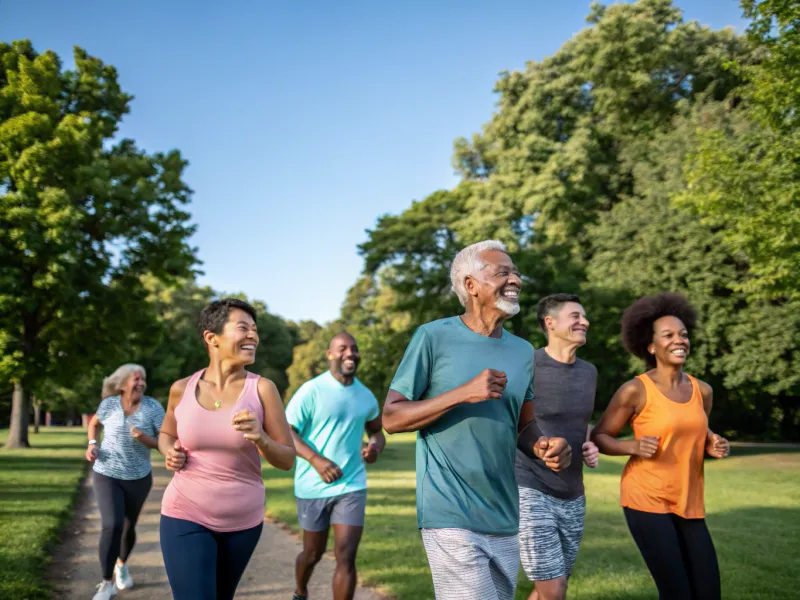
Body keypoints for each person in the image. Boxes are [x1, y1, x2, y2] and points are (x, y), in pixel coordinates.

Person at [383, 240, 572, 600]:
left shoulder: (522, 352)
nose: (515, 279)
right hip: (449, 510)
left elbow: (524, 426)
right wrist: (462, 393)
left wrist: (545, 446)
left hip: (504, 512)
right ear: (470, 285)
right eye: (503, 272)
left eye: (515, 272)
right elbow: (392, 417)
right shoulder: (433, 337)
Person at [591, 292, 729, 600]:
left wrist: (713, 443)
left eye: (683, 334)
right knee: (677, 593)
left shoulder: (702, 390)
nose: (679, 340)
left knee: (708, 592)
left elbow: (696, 429)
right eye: (668, 335)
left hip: (689, 501)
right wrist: (633, 447)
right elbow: (600, 436)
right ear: (651, 346)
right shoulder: (635, 390)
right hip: (646, 500)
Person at [157, 298, 296, 600]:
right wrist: (169, 450)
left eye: (255, 330)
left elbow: (287, 459)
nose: (253, 337)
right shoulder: (182, 388)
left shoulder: (262, 389)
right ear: (212, 338)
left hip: (243, 524)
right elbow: (167, 431)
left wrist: (261, 438)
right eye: (243, 328)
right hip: (185, 512)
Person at [286, 332, 385, 600]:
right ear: (329, 354)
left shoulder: (366, 396)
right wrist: (316, 460)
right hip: (312, 486)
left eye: (354, 348)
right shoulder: (311, 390)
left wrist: (374, 446)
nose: (350, 353)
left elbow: (377, 432)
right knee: (312, 554)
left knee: (346, 556)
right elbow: (287, 432)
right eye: (342, 349)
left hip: (351, 484)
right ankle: (300, 590)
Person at [515, 294, 599, 600]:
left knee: (553, 586)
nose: (584, 322)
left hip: (573, 493)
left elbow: (580, 423)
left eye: (584, 316)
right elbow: (511, 421)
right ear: (550, 323)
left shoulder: (589, 372)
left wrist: (589, 445)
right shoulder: (527, 365)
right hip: (530, 487)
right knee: (553, 590)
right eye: (575, 316)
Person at [86, 364, 165, 600]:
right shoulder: (109, 404)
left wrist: (144, 438)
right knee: (112, 524)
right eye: (136, 379)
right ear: (122, 384)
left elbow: (164, 442)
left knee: (128, 527)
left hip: (138, 477)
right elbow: (94, 424)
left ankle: (121, 564)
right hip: (106, 472)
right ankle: (106, 583)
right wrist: (92, 444)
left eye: (143, 379)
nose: (141, 383)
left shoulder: (152, 407)